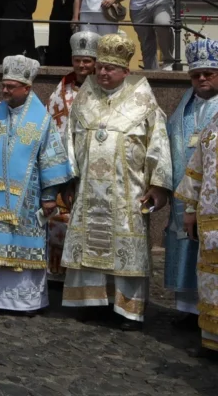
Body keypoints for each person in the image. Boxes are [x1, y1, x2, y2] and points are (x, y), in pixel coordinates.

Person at [60, 33, 171, 330]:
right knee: (89, 244)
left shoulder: (144, 102)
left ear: (126, 70)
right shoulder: (85, 97)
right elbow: (68, 140)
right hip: (87, 190)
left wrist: (157, 186)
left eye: (111, 68)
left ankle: (126, 309)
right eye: (101, 67)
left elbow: (158, 144)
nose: (104, 72)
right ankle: (91, 302)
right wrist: (68, 181)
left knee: (126, 251)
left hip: (128, 191)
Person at [0, 55, 73, 314]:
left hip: (28, 203)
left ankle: (26, 302)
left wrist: (49, 194)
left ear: (27, 88)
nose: (4, 90)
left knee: (24, 252)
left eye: (11, 86)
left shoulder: (41, 121)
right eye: (4, 85)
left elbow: (51, 159)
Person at [165, 40, 218, 328]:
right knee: (184, 246)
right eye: (196, 75)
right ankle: (188, 307)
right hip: (183, 193)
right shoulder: (185, 104)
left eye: (209, 73)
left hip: (211, 199)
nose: (202, 79)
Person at [44, 31, 98, 282]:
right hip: (63, 165)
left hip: (92, 166)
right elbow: (51, 125)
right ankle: (57, 272)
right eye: (78, 60)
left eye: (87, 60)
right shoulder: (60, 91)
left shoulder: (102, 89)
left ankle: (83, 273)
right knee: (60, 218)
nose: (82, 65)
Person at [176, 102, 218, 355]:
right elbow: (197, 168)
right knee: (211, 281)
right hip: (210, 220)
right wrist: (190, 210)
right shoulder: (213, 125)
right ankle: (212, 342)